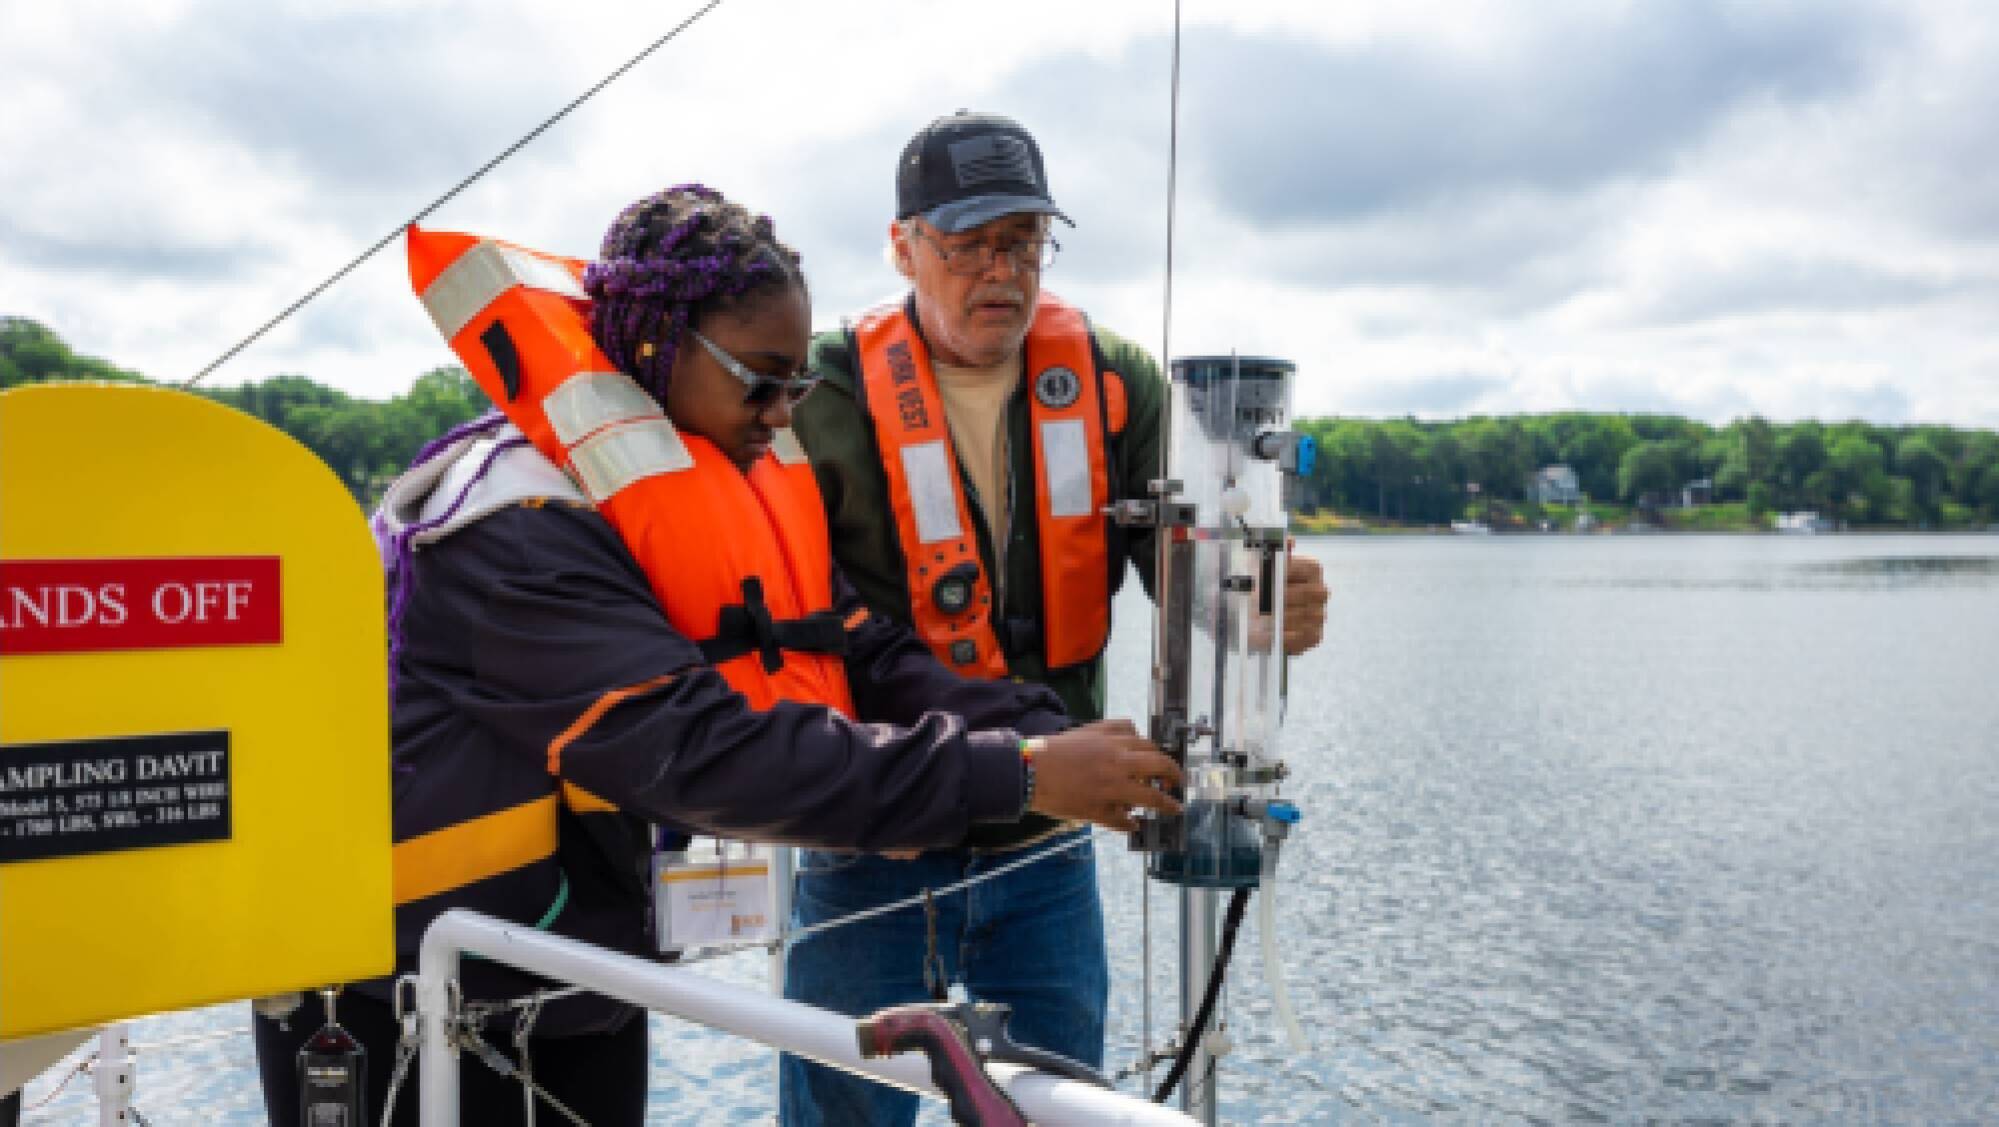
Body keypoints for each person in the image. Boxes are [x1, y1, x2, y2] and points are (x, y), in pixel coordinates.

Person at [249, 184, 1184, 1127]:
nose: (783, 417)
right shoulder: (511, 533)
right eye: (761, 380)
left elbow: (865, 651)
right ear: (656, 348)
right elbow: (701, 753)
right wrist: (1019, 776)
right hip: (409, 999)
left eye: (797, 387)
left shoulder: (707, 490)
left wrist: (1067, 742)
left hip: (576, 985)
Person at [781, 112, 1330, 1125]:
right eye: (969, 242)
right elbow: (800, 620)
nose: (1001, 270)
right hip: (872, 840)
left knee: (1063, 1109)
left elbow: (1187, 580)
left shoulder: (1113, 377)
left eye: (1023, 241)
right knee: (839, 1113)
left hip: (1045, 845)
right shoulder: (817, 388)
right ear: (902, 245)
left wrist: (1262, 604)